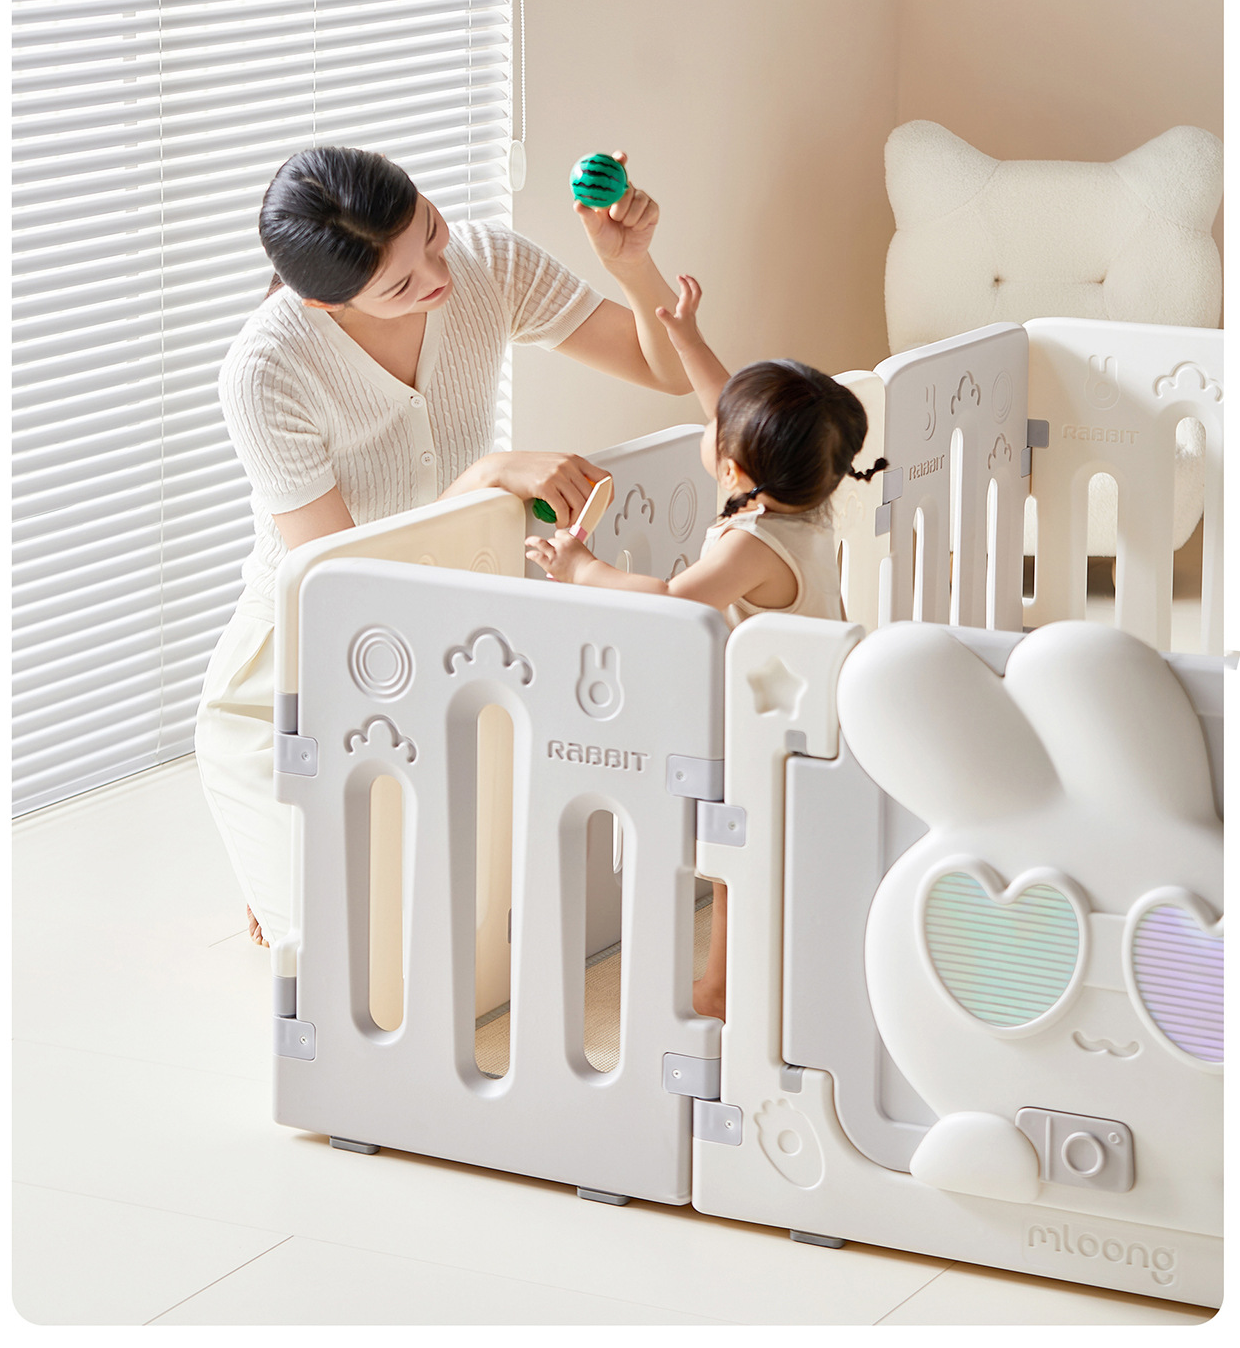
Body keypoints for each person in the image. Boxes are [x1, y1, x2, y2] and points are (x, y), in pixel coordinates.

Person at [197, 146, 694, 949]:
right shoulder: (267, 367)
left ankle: (315, 857)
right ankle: (283, 847)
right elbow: (344, 592)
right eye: (400, 285)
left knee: (474, 918)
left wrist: (630, 266)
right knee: (347, 951)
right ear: (324, 304)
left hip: (451, 634)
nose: (438, 277)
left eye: (429, 229)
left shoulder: (485, 262)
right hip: (299, 674)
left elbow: (665, 368)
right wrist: (484, 477)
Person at [525, 275, 886, 1019]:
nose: (711, 419)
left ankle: (722, 986)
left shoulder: (751, 543)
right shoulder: (799, 502)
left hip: (778, 729)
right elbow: (727, 406)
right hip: (811, 712)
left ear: (732, 468)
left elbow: (670, 599)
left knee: (733, 860)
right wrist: (687, 339)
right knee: (760, 857)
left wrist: (582, 568)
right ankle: (769, 970)